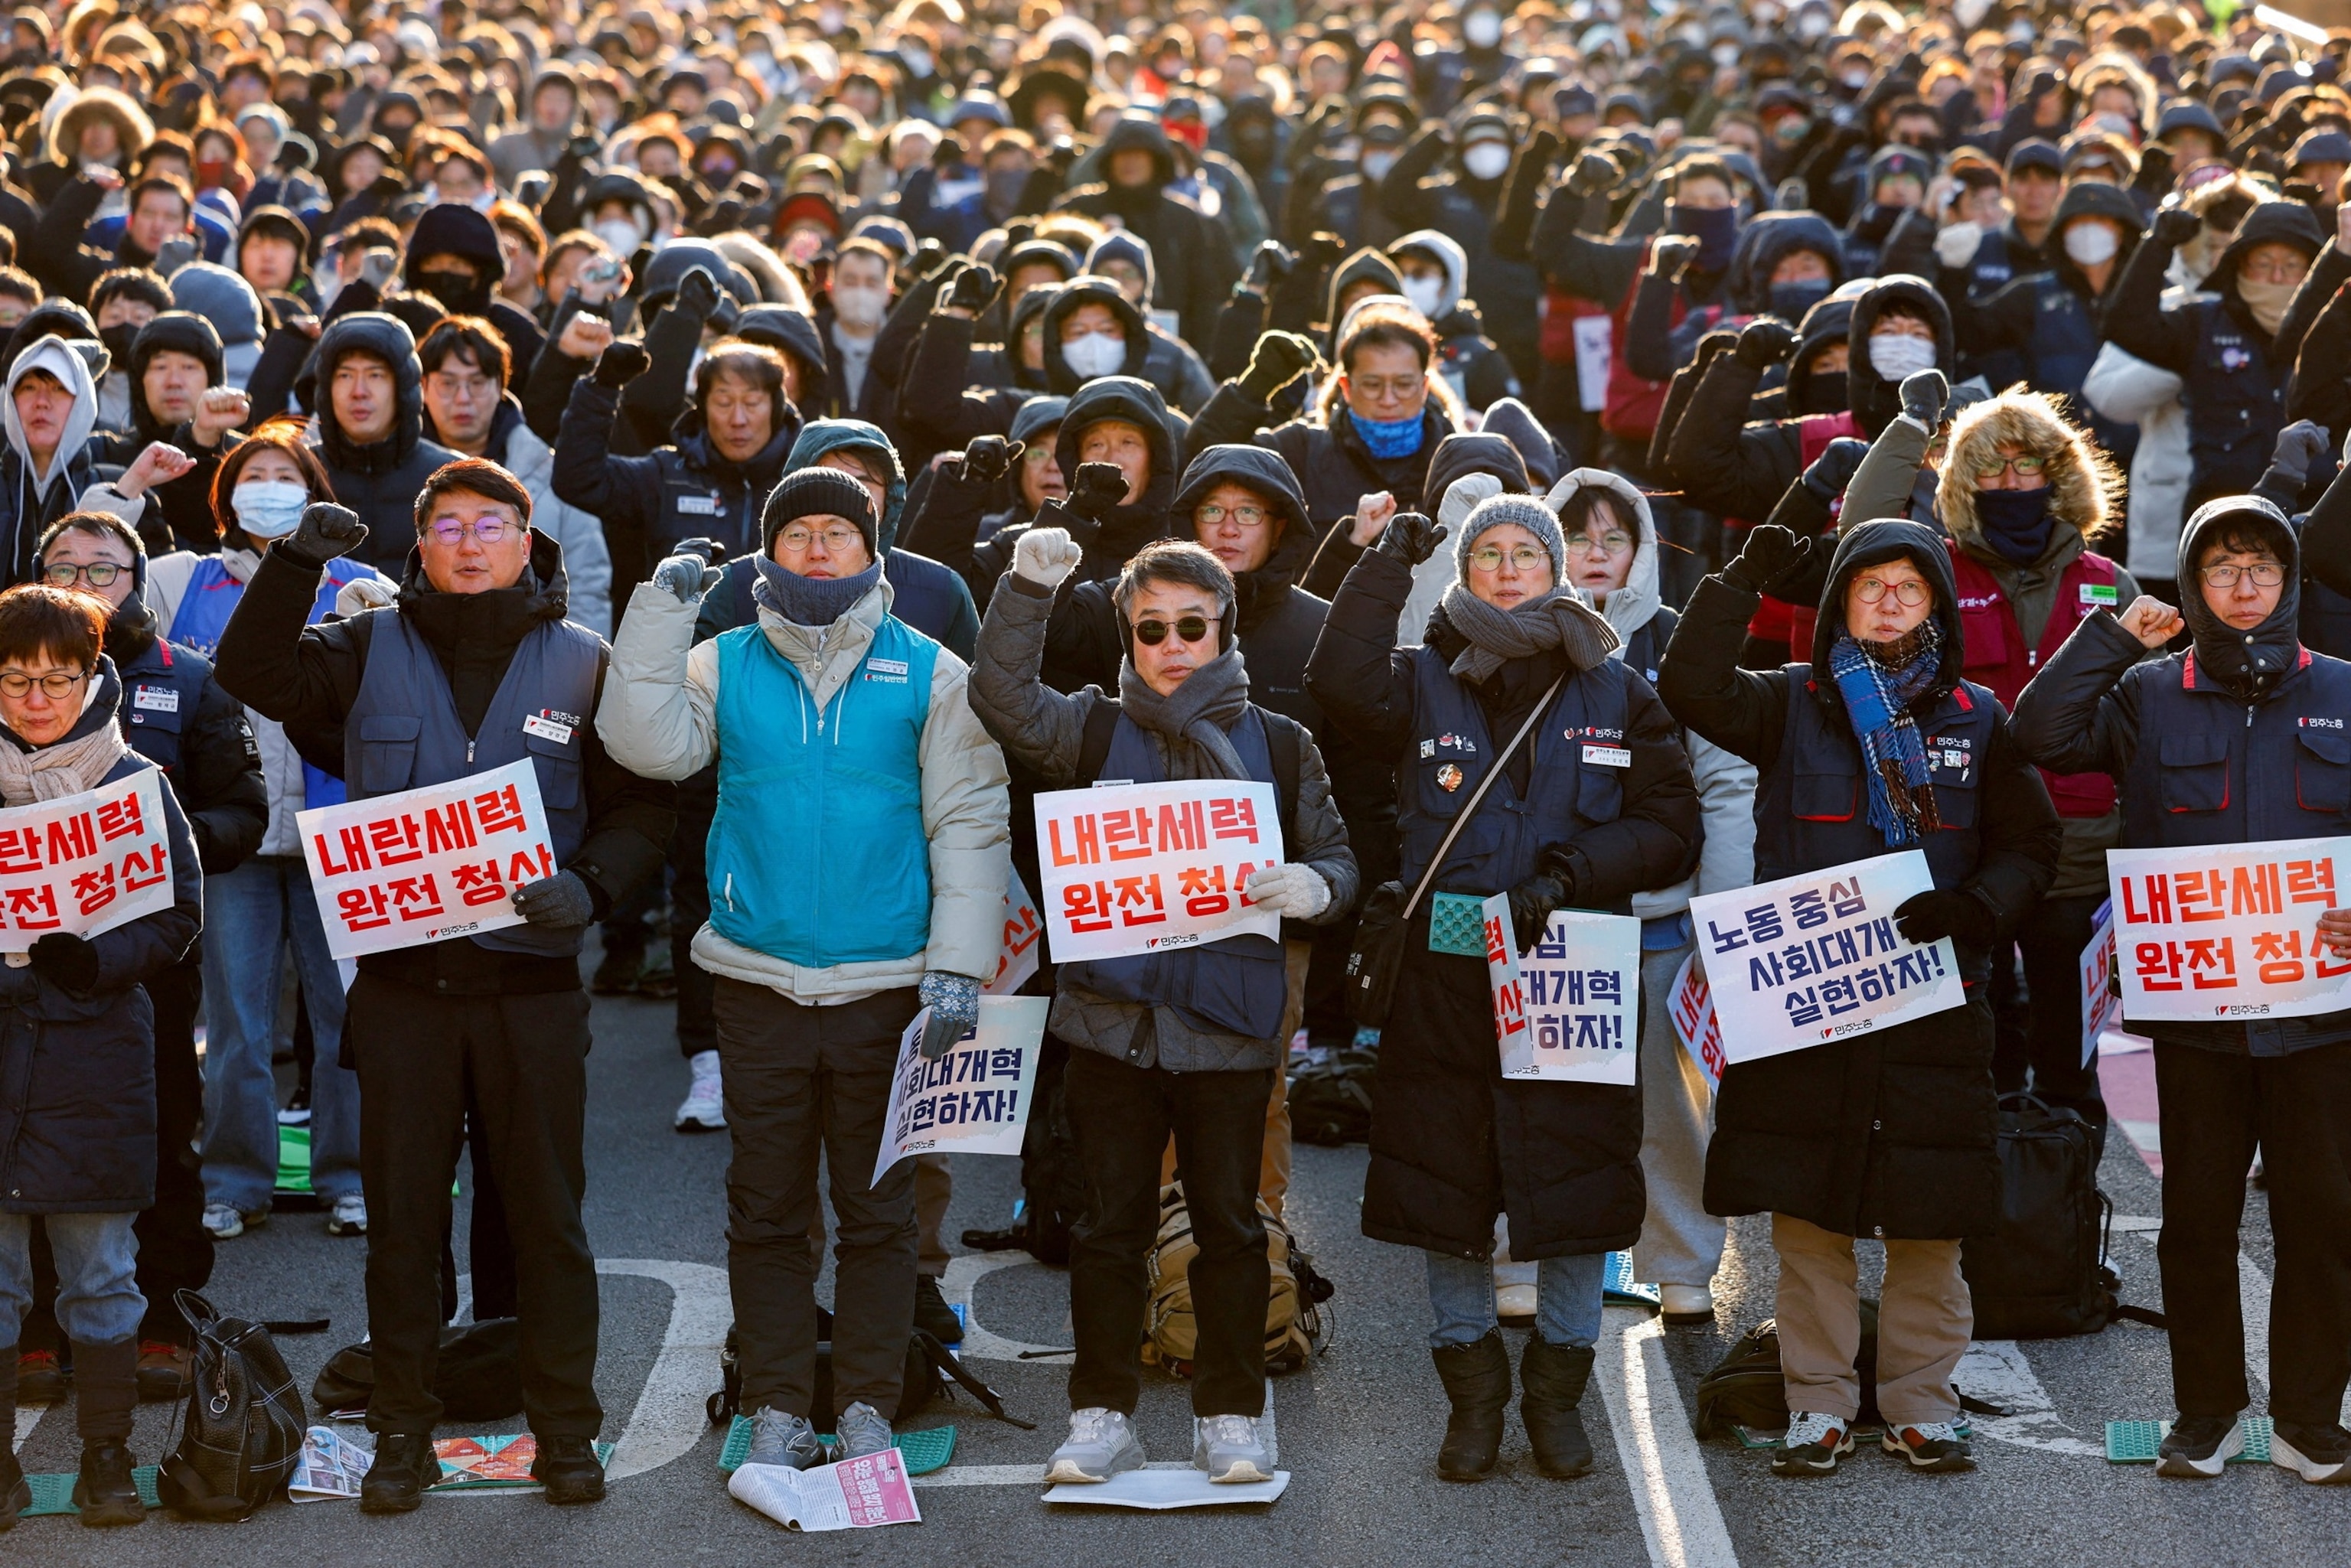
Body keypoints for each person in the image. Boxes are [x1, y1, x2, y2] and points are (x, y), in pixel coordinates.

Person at [212, 459, 673, 1514]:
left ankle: (566, 1433)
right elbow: (254, 674)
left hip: (533, 994)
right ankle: (401, 1436)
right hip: (406, 994)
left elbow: (647, 804)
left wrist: (592, 888)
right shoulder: (364, 643)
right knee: (405, 1226)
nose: (470, 542)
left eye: (492, 524)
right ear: (420, 546)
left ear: (528, 541)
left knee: (549, 1222)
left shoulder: (586, 663)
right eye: (448, 525)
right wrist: (295, 565)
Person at [596, 468, 1009, 1475]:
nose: (819, 547)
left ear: (873, 552)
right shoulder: (721, 660)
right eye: (799, 533)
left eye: (838, 532)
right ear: (766, 553)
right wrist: (661, 607)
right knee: (768, 1208)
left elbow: (968, 820)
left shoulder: (931, 670)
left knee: (879, 1215)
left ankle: (867, 1400)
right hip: (756, 979)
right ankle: (779, 1399)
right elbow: (642, 744)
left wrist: (959, 966)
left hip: (890, 987)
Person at [1658, 517, 2060, 1477]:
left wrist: (1973, 907)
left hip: (1935, 1008)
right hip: (1808, 1014)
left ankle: (1922, 1403)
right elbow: (1687, 684)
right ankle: (1818, 1407)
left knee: (1930, 1221)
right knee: (1809, 1221)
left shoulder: (1977, 716)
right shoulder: (1788, 703)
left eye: (1908, 588)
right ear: (1839, 602)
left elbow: (2031, 847)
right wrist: (1742, 578)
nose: (1888, 601)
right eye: (1868, 586)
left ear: (1936, 606)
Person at [1306, 492, 1695, 1482]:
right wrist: (1390, 557)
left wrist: (1570, 875)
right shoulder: (1423, 674)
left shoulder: (1615, 686)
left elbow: (1668, 826)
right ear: (1465, 571)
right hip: (1445, 967)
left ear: (1557, 568)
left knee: (1576, 1183)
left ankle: (1558, 1400)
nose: (1511, 566)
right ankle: (1474, 1403)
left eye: (1529, 551)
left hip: (1572, 965)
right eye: (1491, 553)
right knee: (1450, 1183)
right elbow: (1338, 679)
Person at [971, 535, 1358, 1486]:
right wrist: (1027, 586)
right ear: (1129, 637)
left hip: (1227, 1030)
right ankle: (1100, 1414)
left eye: (1194, 625)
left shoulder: (1282, 742)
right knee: (1108, 1228)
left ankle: (1232, 1412)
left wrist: (1314, 885)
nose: (1173, 644)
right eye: (1153, 629)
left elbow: (1344, 864)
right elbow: (1001, 697)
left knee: (1232, 1224)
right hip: (1109, 1027)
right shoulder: (1093, 729)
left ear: (1225, 629)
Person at [2011, 493, 2351, 1485]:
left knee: (2323, 1217)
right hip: (2197, 1018)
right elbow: (2039, 733)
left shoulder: (2343, 690)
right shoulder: (2147, 692)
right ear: (2193, 584)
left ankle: (2308, 1421)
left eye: (2262, 569)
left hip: (2321, 1014)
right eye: (2221, 569)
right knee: (2198, 1218)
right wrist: (2112, 633)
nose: (2243, 587)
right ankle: (2205, 1413)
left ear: (2290, 582)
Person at [21, 512, 262, 1400]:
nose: (86, 582)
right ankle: (38, 1325)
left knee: (159, 1140)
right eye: (64, 566)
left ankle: (161, 1316)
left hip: (146, 968)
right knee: (24, 1145)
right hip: (22, 977)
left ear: (138, 577)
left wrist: (153, 844)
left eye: (105, 567)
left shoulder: (188, 680)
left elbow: (245, 813)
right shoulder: (12, 679)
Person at [138, 425, 387, 1242]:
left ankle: (350, 1176)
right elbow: (96, 586)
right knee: (239, 1022)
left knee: (345, 1014)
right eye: (256, 474)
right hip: (235, 838)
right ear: (226, 491)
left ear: (317, 489)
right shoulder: (183, 578)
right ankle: (235, 1181)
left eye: (289, 474)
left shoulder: (360, 583)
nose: (271, 487)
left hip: (338, 834)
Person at [0, 582, 202, 1531]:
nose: (37, 698)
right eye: (15, 678)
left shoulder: (135, 784)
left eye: (58, 677)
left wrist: (96, 962)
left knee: (101, 1273)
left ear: (92, 678)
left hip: (95, 1060)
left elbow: (178, 915)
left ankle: (108, 1460)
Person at [1545, 469, 1758, 1322]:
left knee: (1672, 1115)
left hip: (1663, 922)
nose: (1597, 555)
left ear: (1641, 549)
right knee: (1549, 1109)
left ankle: (1682, 1268)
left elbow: (1728, 784)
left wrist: (1724, 918)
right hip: (1550, 925)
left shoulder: (1680, 643)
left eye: (1615, 537)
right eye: (1579, 536)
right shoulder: (1521, 635)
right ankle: (1540, 1263)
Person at [302, 312, 465, 579]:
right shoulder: (299, 471)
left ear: (403, 387)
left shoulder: (451, 475)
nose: (359, 391)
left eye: (375, 375)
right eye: (344, 376)